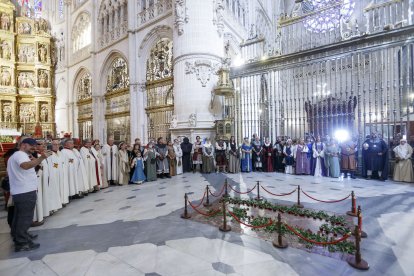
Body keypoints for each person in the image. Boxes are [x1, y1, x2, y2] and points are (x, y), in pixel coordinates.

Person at [7, 138, 52, 252]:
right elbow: (25, 166)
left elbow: (28, 166)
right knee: (25, 218)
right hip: (24, 192)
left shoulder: (19, 155)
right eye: (31, 146)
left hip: (22, 191)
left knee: (19, 217)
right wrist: (41, 158)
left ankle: (20, 237)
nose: (34, 148)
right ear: (23, 145)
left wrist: (36, 159)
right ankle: (22, 243)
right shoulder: (20, 155)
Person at [42, 139, 63, 217]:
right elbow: (53, 164)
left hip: (58, 174)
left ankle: (57, 204)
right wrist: (57, 166)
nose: (57, 146)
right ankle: (51, 207)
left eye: (58, 144)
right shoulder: (49, 154)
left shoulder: (60, 153)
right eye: (55, 144)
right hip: (51, 175)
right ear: (51, 145)